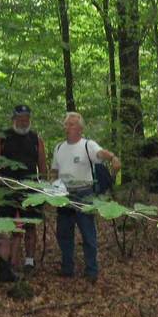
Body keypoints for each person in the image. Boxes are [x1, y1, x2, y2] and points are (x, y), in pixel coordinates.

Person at [50, 112, 120, 283]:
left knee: (88, 234)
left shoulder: (88, 145)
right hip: (64, 195)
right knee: (63, 234)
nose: (68, 127)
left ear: (80, 128)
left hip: (84, 194)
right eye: (66, 124)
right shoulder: (59, 148)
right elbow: (54, 171)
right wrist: (51, 187)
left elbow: (100, 153)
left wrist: (112, 157)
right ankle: (67, 268)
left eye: (72, 124)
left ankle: (91, 270)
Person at [0, 104, 47, 280]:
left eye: (26, 118)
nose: (24, 121)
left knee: (30, 225)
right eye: (20, 118)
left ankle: (29, 261)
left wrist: (44, 187)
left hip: (30, 189)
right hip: (6, 189)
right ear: (14, 119)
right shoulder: (2, 137)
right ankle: (5, 266)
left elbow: (42, 164)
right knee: (5, 226)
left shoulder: (36, 138)